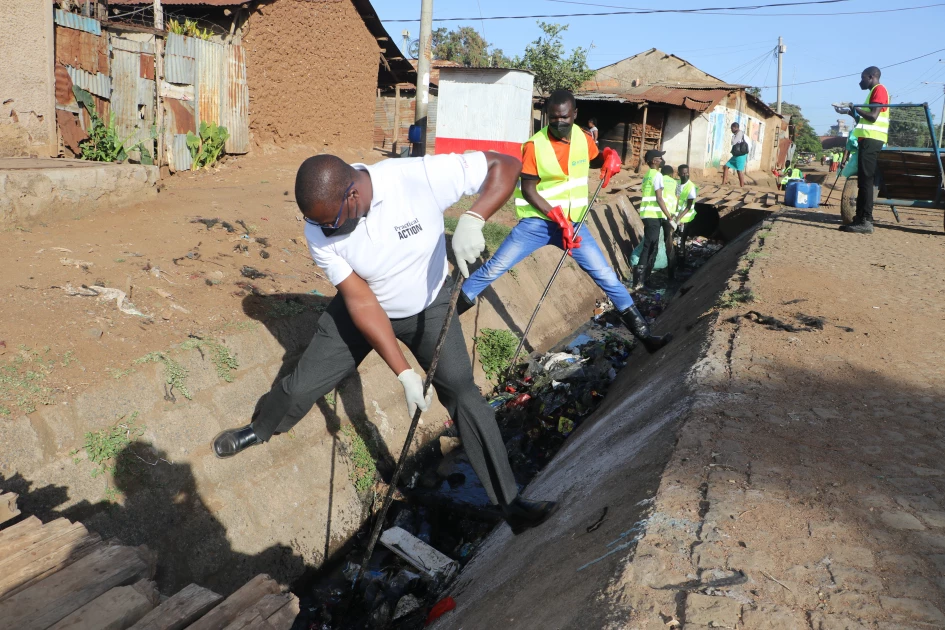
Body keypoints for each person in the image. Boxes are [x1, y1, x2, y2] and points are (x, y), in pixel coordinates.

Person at [212, 151, 559, 535]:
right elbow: (360, 301)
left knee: (463, 392)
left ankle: (510, 505)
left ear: (353, 195)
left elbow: (506, 166)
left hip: (429, 304)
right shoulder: (319, 227)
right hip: (363, 310)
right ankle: (259, 429)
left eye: (332, 223)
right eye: (318, 224)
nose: (324, 230)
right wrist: (405, 372)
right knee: (302, 385)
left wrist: (474, 218)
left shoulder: (414, 177)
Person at [459, 89, 672, 353]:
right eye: (553, 118)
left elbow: (594, 160)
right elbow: (528, 189)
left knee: (607, 276)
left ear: (575, 114)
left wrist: (609, 156)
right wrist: (554, 214)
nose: (559, 123)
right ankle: (446, 313)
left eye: (564, 117)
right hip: (537, 224)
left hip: (574, 227)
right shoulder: (535, 146)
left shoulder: (584, 138)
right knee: (494, 268)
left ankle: (646, 338)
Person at [835, 66, 889, 234]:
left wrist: (855, 106)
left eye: (863, 78)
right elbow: (866, 117)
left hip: (872, 140)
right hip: (867, 140)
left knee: (866, 181)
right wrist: (851, 111)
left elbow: (873, 116)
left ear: (871, 77)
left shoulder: (879, 90)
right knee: (863, 181)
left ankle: (865, 220)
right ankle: (859, 219)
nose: (861, 81)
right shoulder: (873, 91)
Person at [633, 149, 676, 290]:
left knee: (654, 246)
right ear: (653, 161)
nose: (662, 160)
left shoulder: (648, 175)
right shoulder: (657, 175)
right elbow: (659, 198)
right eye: (659, 158)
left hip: (649, 214)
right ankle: (639, 282)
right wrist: (669, 217)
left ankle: (646, 280)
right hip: (652, 215)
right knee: (649, 246)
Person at [673, 164, 698, 274]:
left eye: (687, 173)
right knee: (677, 241)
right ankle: (677, 262)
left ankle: (681, 266)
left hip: (686, 218)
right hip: (677, 217)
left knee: (681, 241)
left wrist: (679, 217)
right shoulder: (678, 184)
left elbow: (688, 206)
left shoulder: (691, 187)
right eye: (683, 173)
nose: (685, 175)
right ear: (678, 174)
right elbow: (677, 200)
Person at [721, 122, 748, 188]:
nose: (731, 130)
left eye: (732, 128)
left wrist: (733, 136)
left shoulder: (739, 133)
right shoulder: (737, 133)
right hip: (736, 154)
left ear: (736, 128)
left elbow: (733, 142)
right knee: (726, 166)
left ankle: (742, 186)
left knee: (739, 171)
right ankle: (723, 183)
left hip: (741, 155)